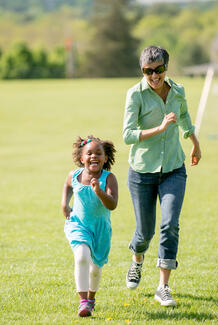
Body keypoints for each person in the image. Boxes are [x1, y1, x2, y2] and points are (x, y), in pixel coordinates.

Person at [123, 45, 201, 306]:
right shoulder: (135, 95)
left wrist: (195, 143)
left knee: (169, 224)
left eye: (158, 70)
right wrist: (159, 127)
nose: (154, 76)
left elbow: (185, 117)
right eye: (148, 71)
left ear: (166, 67)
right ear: (142, 70)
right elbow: (128, 135)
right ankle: (137, 260)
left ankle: (163, 286)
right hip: (142, 172)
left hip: (173, 169)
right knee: (144, 233)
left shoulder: (177, 91)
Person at [61, 135, 118, 317]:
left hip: (100, 229)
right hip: (78, 225)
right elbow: (68, 185)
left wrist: (99, 191)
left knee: (95, 268)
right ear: (81, 158)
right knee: (82, 257)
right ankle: (83, 302)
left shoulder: (109, 178)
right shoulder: (75, 175)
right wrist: (64, 204)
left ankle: (91, 299)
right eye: (89, 153)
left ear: (105, 158)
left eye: (98, 153)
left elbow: (112, 204)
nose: (94, 156)